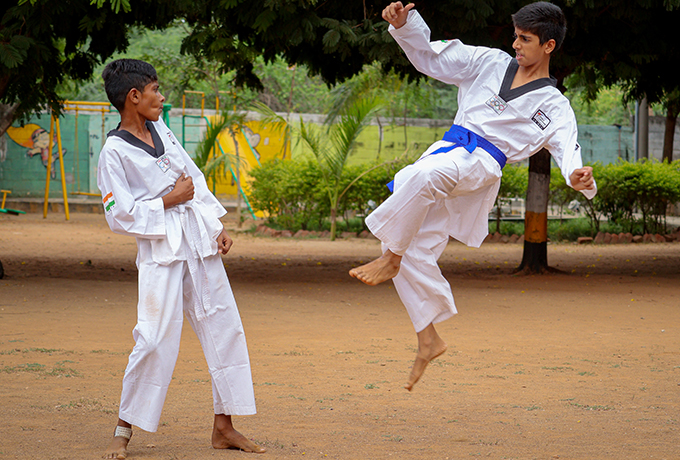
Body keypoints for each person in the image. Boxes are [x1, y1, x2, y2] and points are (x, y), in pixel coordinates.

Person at [350, 2, 596, 391]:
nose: (516, 44)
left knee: (423, 177)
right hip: (450, 149)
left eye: (525, 39)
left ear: (549, 45)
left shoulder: (554, 105)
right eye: (515, 36)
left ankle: (390, 259)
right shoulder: (489, 62)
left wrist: (576, 176)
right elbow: (432, 57)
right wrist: (406, 25)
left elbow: (568, 149)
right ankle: (428, 338)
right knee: (414, 240)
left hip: (482, 163)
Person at [97, 59, 265, 459]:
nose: (161, 97)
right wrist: (167, 201)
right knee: (153, 338)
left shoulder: (161, 130)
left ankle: (224, 427)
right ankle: (123, 429)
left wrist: (215, 225)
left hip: (197, 240)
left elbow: (193, 177)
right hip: (161, 250)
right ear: (133, 96)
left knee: (224, 327)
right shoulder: (113, 152)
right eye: (155, 90)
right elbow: (118, 215)